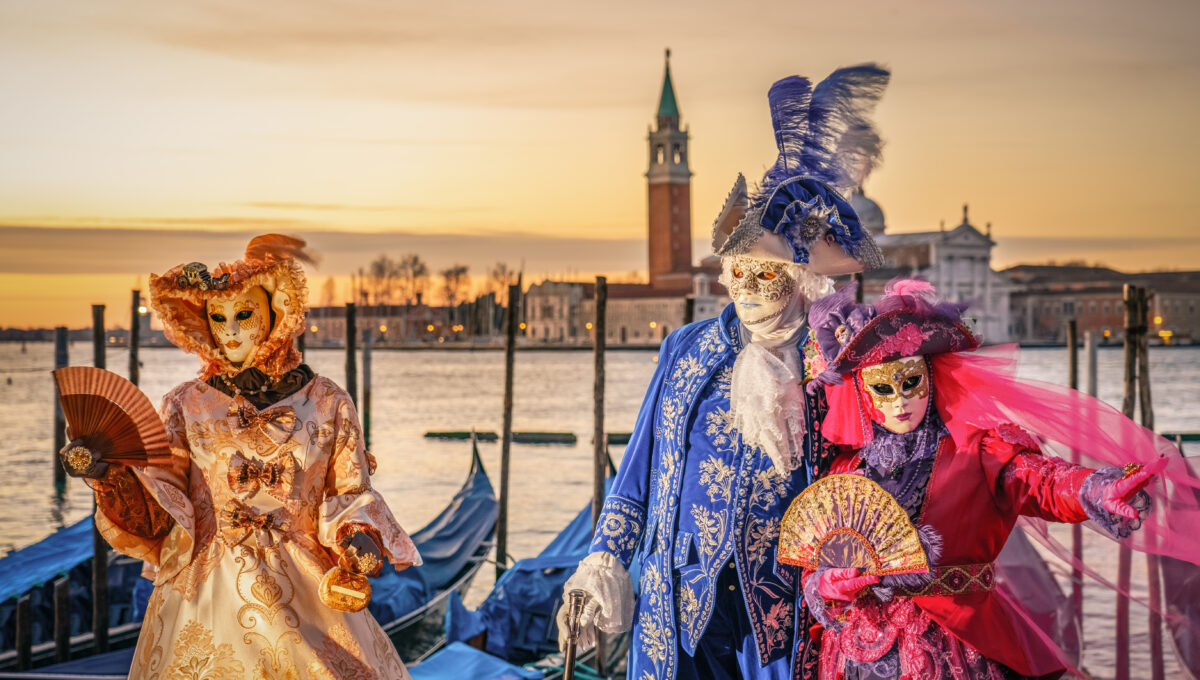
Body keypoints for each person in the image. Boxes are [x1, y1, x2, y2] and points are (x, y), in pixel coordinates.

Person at [555, 65, 890, 680]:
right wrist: (602, 560)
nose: (743, 287)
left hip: (789, 614)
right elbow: (638, 469)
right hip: (676, 607)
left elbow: (872, 476)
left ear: (800, 282)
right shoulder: (686, 348)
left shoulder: (835, 362)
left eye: (761, 274)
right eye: (735, 271)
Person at [789, 278, 1200, 679]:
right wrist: (829, 583)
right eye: (883, 388)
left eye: (911, 382)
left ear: (933, 378)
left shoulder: (977, 450)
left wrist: (1094, 487)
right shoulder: (846, 470)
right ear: (861, 392)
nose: (900, 401)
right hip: (855, 654)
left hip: (952, 649)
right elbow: (816, 562)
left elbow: (1041, 481)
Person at [59, 235, 420, 679]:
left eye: (243, 315)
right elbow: (162, 505)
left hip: (305, 593)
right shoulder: (183, 404)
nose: (228, 330)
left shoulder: (328, 401)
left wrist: (356, 533)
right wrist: (109, 473)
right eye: (217, 317)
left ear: (276, 312)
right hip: (205, 594)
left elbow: (350, 491)